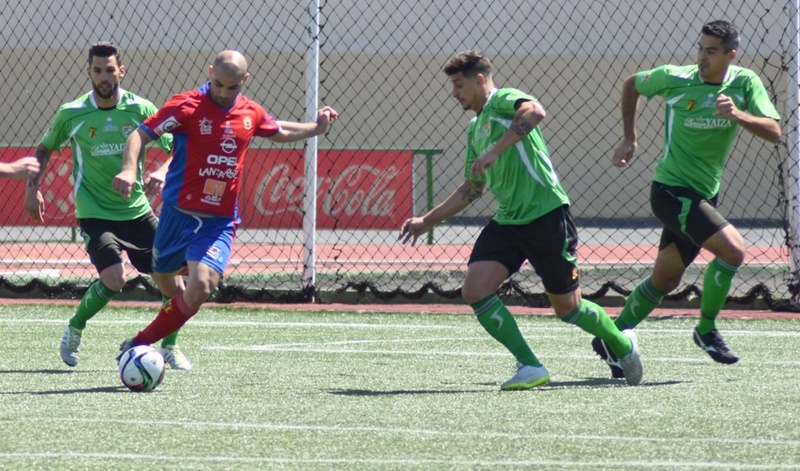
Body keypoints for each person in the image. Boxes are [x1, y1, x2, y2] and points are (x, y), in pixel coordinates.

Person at [400, 50, 643, 389]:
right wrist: (427, 221)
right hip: (508, 222)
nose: (454, 93)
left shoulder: (502, 101)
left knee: (568, 309)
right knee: (475, 289)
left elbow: (535, 111)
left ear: (479, 80)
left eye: (458, 85)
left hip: (547, 215)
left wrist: (495, 151)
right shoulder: (475, 129)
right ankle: (530, 365)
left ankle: (621, 344)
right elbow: (472, 188)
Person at [111, 50, 338, 359]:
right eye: (218, 84)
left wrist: (317, 128)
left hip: (218, 221)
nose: (223, 92)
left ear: (245, 80)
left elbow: (278, 130)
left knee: (202, 286)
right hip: (177, 215)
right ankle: (168, 333)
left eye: (232, 87)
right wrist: (128, 169)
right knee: (167, 284)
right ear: (210, 72)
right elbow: (141, 135)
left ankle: (140, 343)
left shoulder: (250, 112)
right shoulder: (186, 105)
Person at [598, 20, 781, 375]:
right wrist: (630, 137)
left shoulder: (744, 83)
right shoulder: (674, 77)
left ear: (731, 55)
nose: (702, 57)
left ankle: (612, 336)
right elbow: (632, 84)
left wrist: (737, 114)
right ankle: (706, 329)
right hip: (670, 192)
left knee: (666, 280)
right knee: (734, 250)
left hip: (704, 195)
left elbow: (774, 131)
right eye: (700, 48)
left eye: (711, 51)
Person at [24, 42, 190, 370]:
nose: (103, 76)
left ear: (121, 72)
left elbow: (177, 148)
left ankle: (170, 347)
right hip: (94, 213)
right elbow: (44, 149)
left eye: (110, 70)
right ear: (89, 72)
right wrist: (32, 187)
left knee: (173, 281)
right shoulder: (72, 113)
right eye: (97, 70)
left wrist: (161, 171)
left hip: (137, 212)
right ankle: (75, 327)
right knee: (115, 279)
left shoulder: (141, 109)